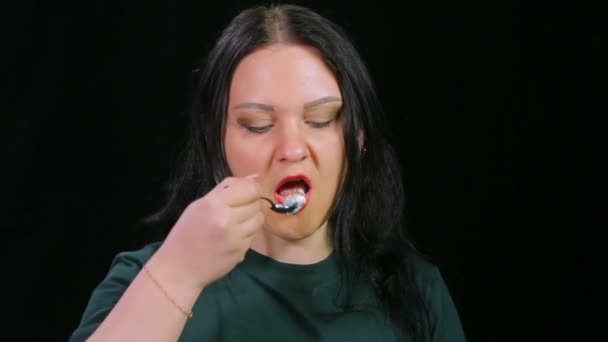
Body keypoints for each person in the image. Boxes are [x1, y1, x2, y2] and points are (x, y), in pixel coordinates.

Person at [69, 3, 467, 341]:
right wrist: (178, 272)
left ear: (358, 139)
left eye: (321, 119)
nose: (291, 149)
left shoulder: (415, 291)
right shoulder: (146, 278)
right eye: (258, 125)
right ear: (215, 138)